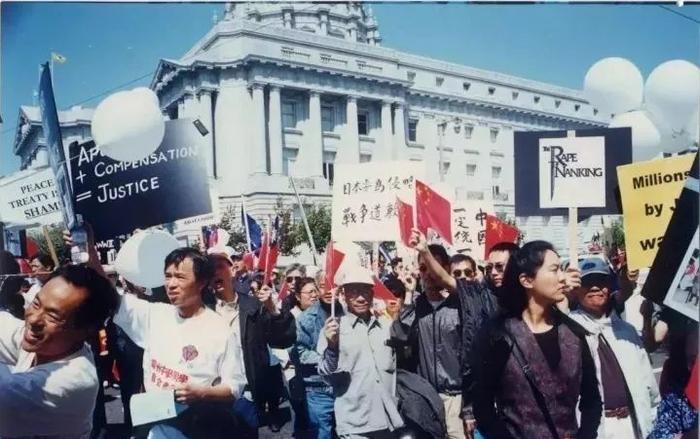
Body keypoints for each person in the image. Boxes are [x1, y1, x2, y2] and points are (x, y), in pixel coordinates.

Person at [472, 240, 602, 439]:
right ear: (526, 280)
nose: (562, 278)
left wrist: (586, 435)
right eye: (554, 270)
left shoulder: (574, 334)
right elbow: (483, 406)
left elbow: (592, 400)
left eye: (561, 269)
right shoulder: (498, 335)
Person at [112, 247, 247, 438]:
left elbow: (234, 388)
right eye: (168, 276)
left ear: (201, 283)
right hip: (151, 420)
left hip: (195, 426)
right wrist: (87, 251)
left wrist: (202, 393)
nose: (171, 284)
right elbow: (110, 297)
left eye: (180, 277)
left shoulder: (220, 331)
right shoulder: (155, 314)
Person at [393, 229, 493, 439]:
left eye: (433, 266)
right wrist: (409, 295)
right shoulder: (415, 306)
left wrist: (469, 407)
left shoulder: (463, 306)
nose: (428, 273)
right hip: (425, 399)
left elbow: (474, 359)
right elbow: (399, 337)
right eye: (423, 268)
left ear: (445, 268)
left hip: (457, 401)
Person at [0, 264, 120, 438]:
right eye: (36, 303)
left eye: (53, 316)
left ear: (86, 331)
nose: (33, 319)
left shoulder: (73, 382)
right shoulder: (48, 344)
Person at [208, 247, 296, 435]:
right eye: (209, 269)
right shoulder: (203, 311)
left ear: (233, 270)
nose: (214, 272)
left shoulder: (255, 306)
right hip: (213, 396)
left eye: (220, 266)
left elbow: (283, 339)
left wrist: (272, 309)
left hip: (247, 395)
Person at [569, 260, 659, 438]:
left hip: (633, 424)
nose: (595, 287)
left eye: (601, 282)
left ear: (609, 287)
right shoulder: (567, 330)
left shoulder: (627, 331)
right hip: (595, 428)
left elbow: (649, 384)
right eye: (587, 283)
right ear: (576, 290)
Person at [319, 264, 404, 438]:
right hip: (354, 423)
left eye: (365, 291)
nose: (360, 298)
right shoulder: (333, 329)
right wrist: (332, 347)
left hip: (388, 419)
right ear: (343, 294)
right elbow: (326, 374)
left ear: (373, 294)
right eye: (353, 292)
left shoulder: (386, 327)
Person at [292, 271, 344, 439]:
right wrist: (327, 357)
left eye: (334, 286)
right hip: (318, 388)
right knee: (322, 434)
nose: (330, 291)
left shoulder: (349, 314)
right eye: (324, 286)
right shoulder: (305, 319)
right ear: (317, 289)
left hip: (345, 385)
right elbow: (300, 353)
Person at [649, 324, 698, 438]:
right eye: (693, 360)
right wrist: (689, 435)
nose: (697, 367)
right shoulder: (679, 398)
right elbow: (658, 434)